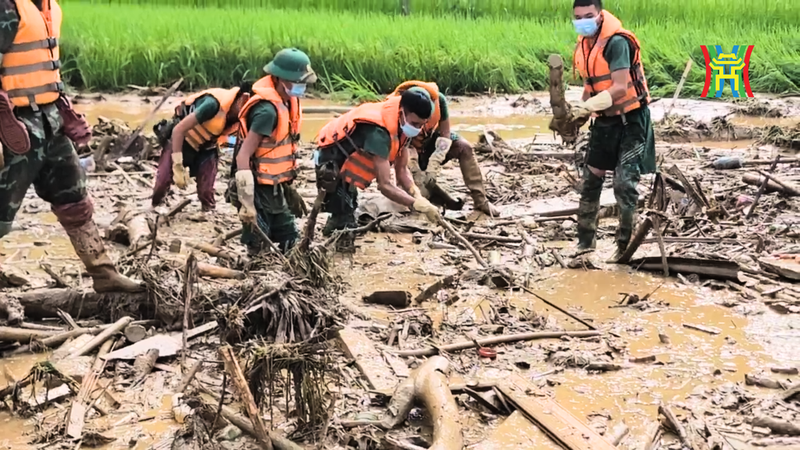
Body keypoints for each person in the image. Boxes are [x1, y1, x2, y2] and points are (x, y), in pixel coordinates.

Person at [0, 0, 141, 292]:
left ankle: (103, 274)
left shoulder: (47, 7)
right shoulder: (7, 6)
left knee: (73, 196)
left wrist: (65, 108)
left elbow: (47, 66)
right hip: (12, 124)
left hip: (49, 121)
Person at [569, 0, 656, 262]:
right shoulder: (586, 43)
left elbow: (619, 87)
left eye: (588, 15)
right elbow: (590, 85)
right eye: (578, 16)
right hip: (605, 122)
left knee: (624, 183)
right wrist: (579, 112)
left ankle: (624, 248)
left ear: (600, 14)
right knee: (590, 181)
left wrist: (587, 108)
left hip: (631, 121)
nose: (583, 20)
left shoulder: (617, 42)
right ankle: (585, 244)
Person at [314, 89, 441, 247]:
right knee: (344, 218)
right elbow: (385, 185)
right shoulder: (379, 133)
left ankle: (330, 232)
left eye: (421, 125)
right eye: (415, 124)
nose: (417, 129)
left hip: (349, 160)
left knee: (349, 203)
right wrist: (414, 204)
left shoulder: (404, 127)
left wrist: (417, 193)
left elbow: (402, 171)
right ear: (402, 113)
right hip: (331, 161)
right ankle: (335, 250)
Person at [230, 48, 313, 254]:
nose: (301, 87)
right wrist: (247, 202)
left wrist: (287, 187)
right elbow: (243, 156)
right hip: (256, 187)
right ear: (279, 78)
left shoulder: (287, 102)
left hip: (275, 188)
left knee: (291, 241)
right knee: (258, 245)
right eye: (298, 81)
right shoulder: (266, 111)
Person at [387, 81, 500, 217]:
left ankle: (481, 201)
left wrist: (435, 161)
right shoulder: (397, 106)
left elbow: (445, 133)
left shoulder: (439, 100)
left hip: (429, 143)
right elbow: (400, 147)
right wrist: (415, 169)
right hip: (406, 151)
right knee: (418, 197)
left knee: (464, 147)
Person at [152, 83, 252, 211]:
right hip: (182, 141)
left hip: (206, 147)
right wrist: (177, 165)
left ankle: (208, 211)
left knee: (206, 191)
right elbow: (178, 130)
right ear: (243, 99)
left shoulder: (240, 119)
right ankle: (156, 207)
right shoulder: (212, 105)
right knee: (162, 183)